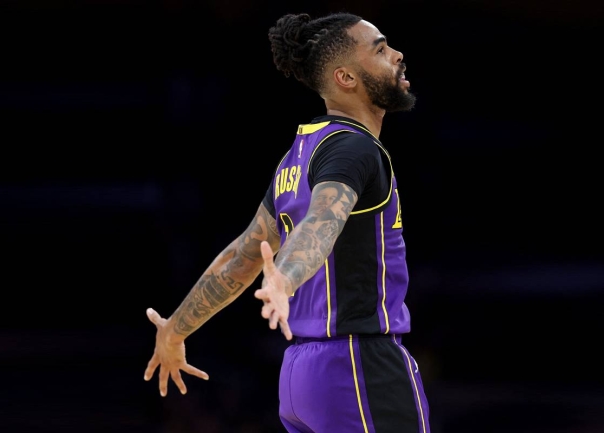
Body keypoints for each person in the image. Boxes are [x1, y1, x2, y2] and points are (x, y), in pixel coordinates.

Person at [144, 11, 431, 433]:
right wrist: (285, 279)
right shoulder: (354, 148)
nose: (398, 54)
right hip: (357, 365)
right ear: (346, 78)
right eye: (381, 49)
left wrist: (175, 329)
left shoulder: (297, 157)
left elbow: (242, 257)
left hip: (301, 377)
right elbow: (320, 223)